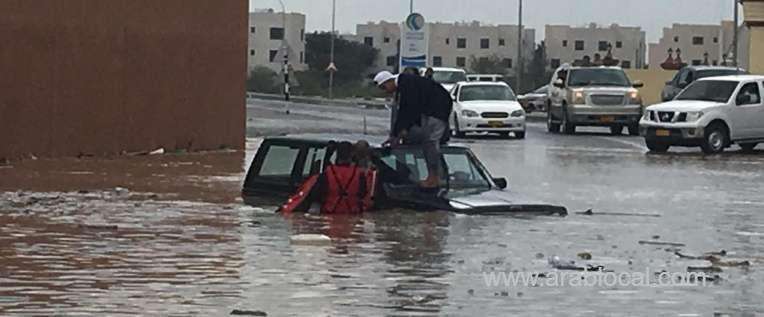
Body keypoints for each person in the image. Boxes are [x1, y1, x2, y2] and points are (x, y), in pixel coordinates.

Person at [374, 70, 453, 189]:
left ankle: (434, 178)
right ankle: (434, 176)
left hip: (438, 110)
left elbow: (409, 109)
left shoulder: (407, 84)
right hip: (431, 109)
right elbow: (406, 112)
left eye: (384, 87)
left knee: (430, 143)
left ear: (389, 81)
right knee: (426, 140)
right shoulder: (405, 83)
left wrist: (401, 131)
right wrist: (396, 134)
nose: (386, 91)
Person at [317, 141, 371, 214]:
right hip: (352, 215)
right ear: (351, 155)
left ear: (337, 155)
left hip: (329, 214)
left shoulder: (327, 172)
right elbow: (363, 193)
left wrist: (328, 154)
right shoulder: (359, 173)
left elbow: (319, 193)